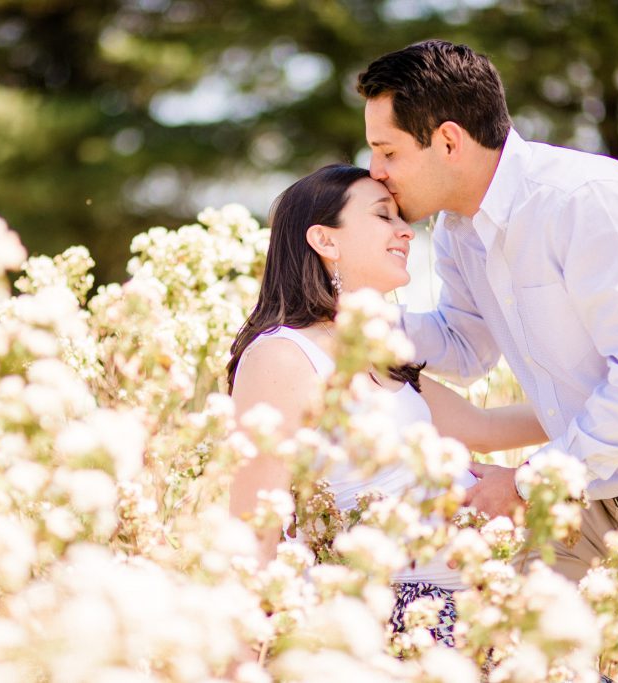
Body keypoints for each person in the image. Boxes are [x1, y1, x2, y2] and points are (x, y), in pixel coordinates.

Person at [356, 38, 618, 681]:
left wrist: (525, 483)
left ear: (447, 140)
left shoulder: (586, 199)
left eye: (387, 152)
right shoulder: (460, 230)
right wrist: (345, 323)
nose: (376, 171)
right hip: (587, 498)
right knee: (512, 655)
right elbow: (465, 346)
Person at [226, 163, 547, 646]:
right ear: (325, 241)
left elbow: (485, 426)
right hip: (396, 623)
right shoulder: (284, 355)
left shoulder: (380, 353)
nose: (406, 232)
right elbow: (255, 527)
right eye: (384, 217)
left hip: (481, 613)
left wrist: (605, 401)